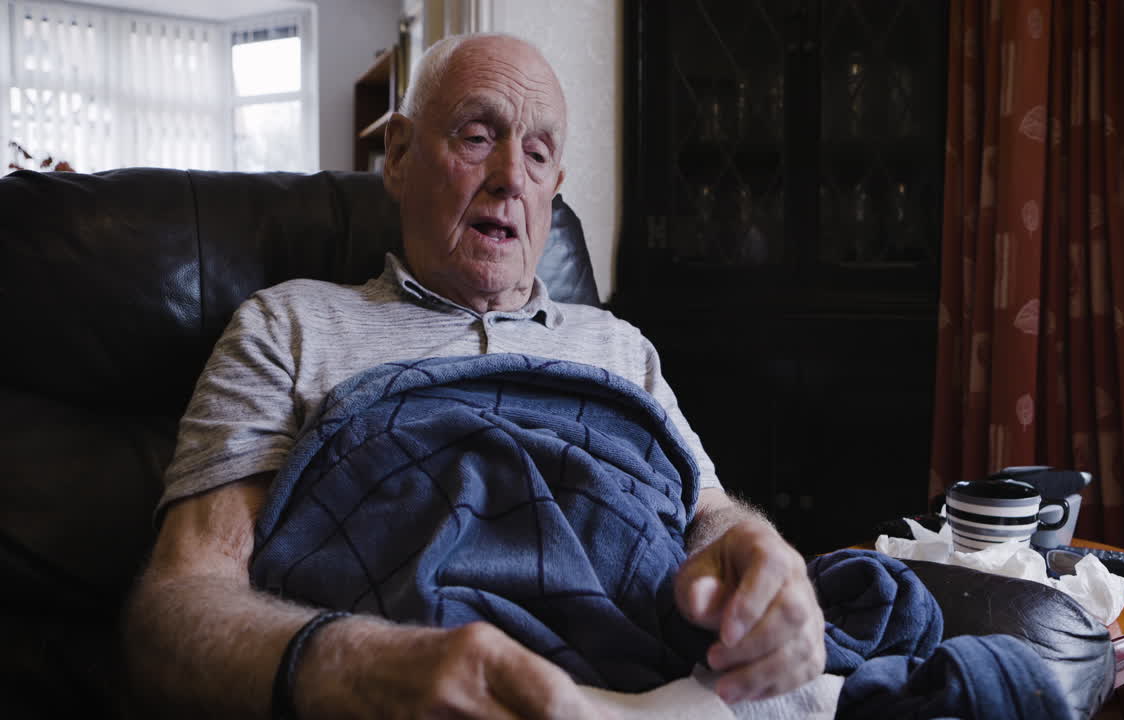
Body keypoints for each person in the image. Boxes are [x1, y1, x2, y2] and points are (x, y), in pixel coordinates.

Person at [124, 33, 825, 719]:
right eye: (478, 136)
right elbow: (179, 603)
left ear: (554, 188)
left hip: (662, 686)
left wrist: (756, 553)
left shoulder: (621, 349)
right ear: (397, 155)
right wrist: (360, 667)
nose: (511, 177)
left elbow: (709, 515)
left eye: (539, 153)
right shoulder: (288, 327)